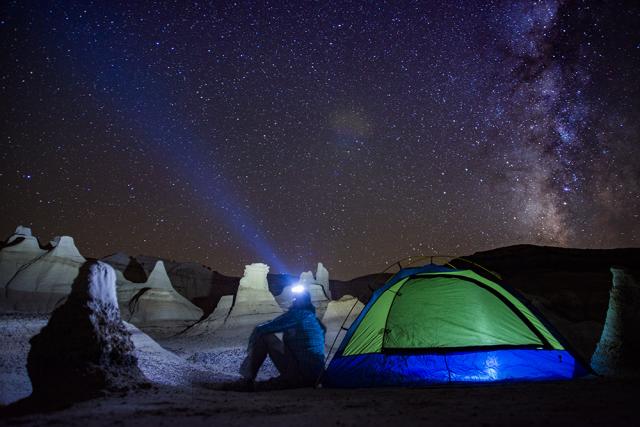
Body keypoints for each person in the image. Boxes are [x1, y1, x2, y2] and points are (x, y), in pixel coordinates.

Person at [238, 288, 326, 390]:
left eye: (295, 298)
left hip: (302, 374)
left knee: (265, 337)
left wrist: (250, 350)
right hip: (317, 376)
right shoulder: (314, 319)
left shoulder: (299, 314)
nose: (294, 300)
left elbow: (261, 329)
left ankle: (248, 380)